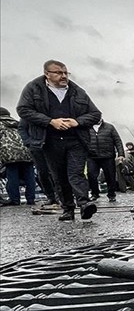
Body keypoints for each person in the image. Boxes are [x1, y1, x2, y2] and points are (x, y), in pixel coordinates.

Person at [16, 60, 101, 221]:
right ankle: (68, 208)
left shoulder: (77, 91)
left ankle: (84, 204)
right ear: (47, 74)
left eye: (65, 73)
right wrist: (50, 121)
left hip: (76, 138)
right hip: (50, 139)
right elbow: (23, 110)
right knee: (59, 175)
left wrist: (78, 121)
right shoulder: (33, 89)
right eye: (58, 73)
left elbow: (95, 114)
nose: (63, 76)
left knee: (75, 172)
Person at [18, 119, 59, 208]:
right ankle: (51, 196)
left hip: (52, 144)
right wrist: (28, 143)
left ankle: (60, 195)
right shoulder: (28, 115)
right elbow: (22, 129)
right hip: (36, 147)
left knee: (56, 171)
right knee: (43, 172)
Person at [0, 107, 36, 206]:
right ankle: (31, 199)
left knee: (12, 176)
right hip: (27, 151)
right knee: (30, 176)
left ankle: (15, 199)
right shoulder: (17, 123)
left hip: (10, 153)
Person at [86, 118, 124, 202]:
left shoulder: (110, 127)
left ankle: (111, 194)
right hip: (92, 156)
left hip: (108, 156)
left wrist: (121, 154)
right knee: (91, 175)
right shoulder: (87, 127)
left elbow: (117, 141)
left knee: (110, 176)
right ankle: (94, 193)